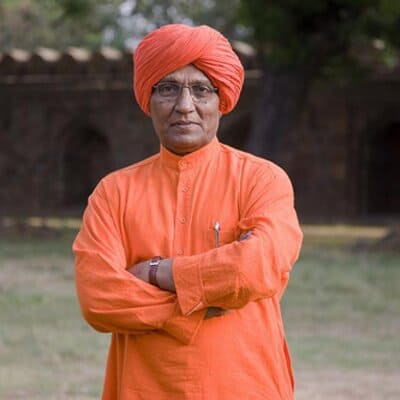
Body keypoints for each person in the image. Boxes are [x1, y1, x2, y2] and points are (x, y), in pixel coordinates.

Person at [73, 24, 303, 400]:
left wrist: (157, 271)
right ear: (148, 99)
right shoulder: (114, 192)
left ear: (221, 100)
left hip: (246, 387)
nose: (184, 105)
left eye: (201, 90)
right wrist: (197, 302)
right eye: (167, 88)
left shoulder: (261, 180)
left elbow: (255, 269)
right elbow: (99, 297)